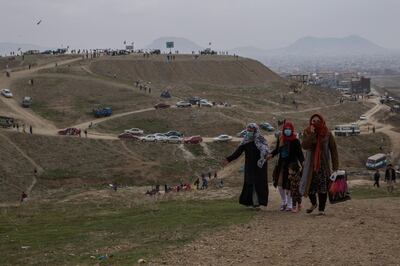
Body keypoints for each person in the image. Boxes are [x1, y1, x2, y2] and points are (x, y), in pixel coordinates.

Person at [300, 114, 339, 216]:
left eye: (318, 120)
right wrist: (312, 134)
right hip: (310, 166)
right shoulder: (307, 132)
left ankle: (321, 209)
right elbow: (304, 146)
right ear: (310, 122)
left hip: (323, 165)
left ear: (322, 121)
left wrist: (335, 167)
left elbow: (333, 150)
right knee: (310, 188)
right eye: (313, 121)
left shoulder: (327, 133)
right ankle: (314, 203)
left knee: (323, 189)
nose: (315, 122)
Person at [223, 123, 269, 208]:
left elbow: (266, 151)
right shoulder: (245, 141)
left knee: (258, 184)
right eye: (247, 130)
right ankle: (250, 202)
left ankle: (257, 202)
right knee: (250, 183)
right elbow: (238, 152)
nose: (248, 132)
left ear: (255, 131)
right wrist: (228, 159)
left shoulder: (261, 140)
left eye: (250, 131)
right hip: (249, 167)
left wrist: (266, 157)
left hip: (260, 167)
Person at [268, 121, 304, 212]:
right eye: (286, 129)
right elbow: (277, 150)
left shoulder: (295, 141)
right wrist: (271, 155)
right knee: (280, 184)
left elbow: (299, 153)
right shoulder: (281, 139)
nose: (287, 130)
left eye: (289, 129)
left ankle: (290, 204)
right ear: (283, 130)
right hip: (282, 165)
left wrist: (303, 162)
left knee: (289, 186)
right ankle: (283, 202)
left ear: (292, 130)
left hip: (291, 166)